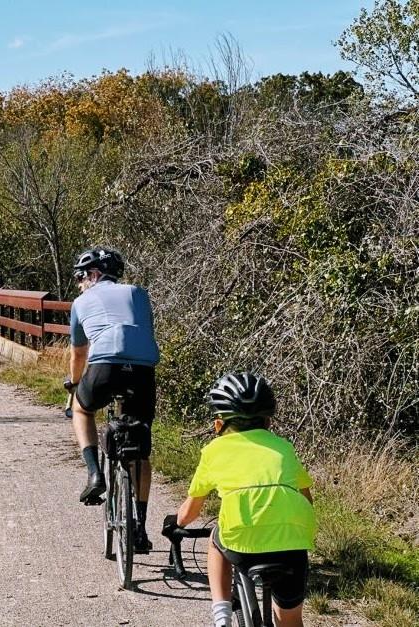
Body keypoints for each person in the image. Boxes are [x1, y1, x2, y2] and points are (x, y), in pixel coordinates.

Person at [173, 372, 316, 627]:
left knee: (217, 539)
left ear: (219, 425)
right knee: (291, 620)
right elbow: (307, 499)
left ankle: (221, 617)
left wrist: (174, 522)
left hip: (241, 543)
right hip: (293, 544)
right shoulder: (284, 447)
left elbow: (189, 514)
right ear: (268, 422)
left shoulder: (214, 451)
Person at [65, 246, 160, 552]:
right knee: (140, 447)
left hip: (104, 364)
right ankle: (141, 528)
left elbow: (79, 353)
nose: (80, 284)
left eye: (81, 277)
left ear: (93, 274)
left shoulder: (81, 302)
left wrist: (75, 385)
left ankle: (94, 473)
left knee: (82, 410)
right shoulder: (139, 293)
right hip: (143, 369)